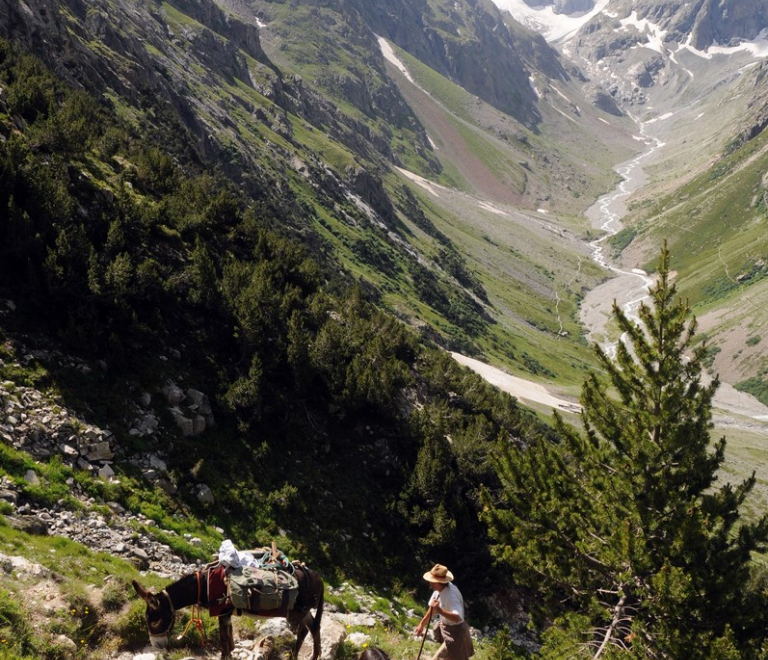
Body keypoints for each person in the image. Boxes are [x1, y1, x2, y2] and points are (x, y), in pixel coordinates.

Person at [414, 564, 474, 660]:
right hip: (446, 629)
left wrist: (440, 610)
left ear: (437, 582)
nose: (430, 582)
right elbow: (433, 607)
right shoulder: (438, 590)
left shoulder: (451, 595)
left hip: (456, 633)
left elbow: (457, 617)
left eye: (432, 580)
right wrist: (422, 624)